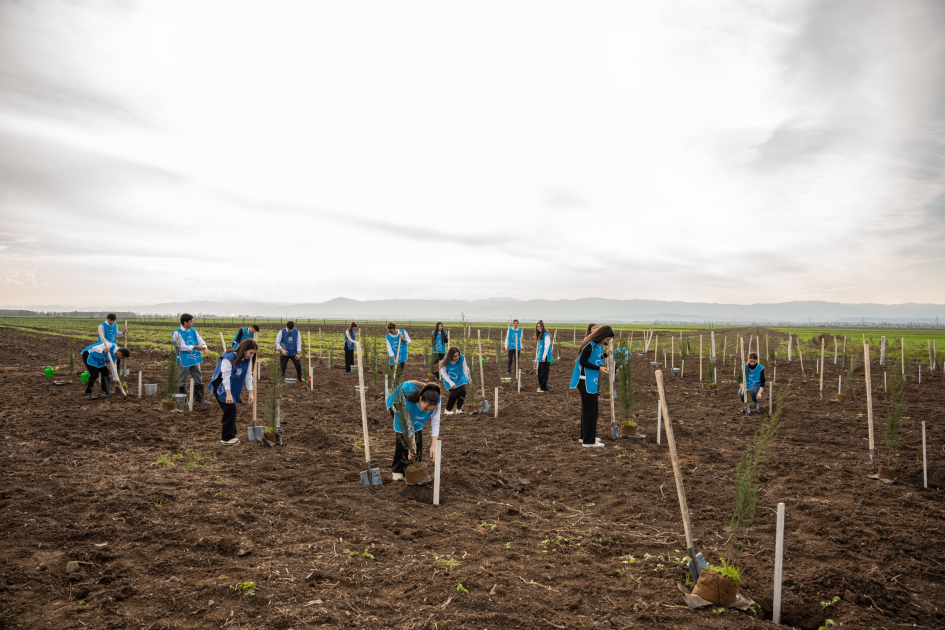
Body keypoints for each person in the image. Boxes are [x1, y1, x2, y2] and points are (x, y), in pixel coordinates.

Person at [386, 380, 441, 482]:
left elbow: (435, 421)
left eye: (430, 410)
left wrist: (434, 445)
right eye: (425, 409)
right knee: (404, 437)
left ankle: (414, 468)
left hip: (412, 409)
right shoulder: (408, 399)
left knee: (418, 435)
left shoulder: (436, 400)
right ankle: (397, 471)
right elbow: (408, 422)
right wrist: (411, 441)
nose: (427, 412)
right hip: (398, 403)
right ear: (420, 399)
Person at [569, 325, 615, 448]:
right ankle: (589, 441)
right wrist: (599, 368)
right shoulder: (589, 345)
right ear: (602, 335)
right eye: (606, 339)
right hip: (586, 381)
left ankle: (584, 436)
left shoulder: (595, 345)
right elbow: (583, 362)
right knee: (591, 411)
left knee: (587, 409)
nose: (606, 342)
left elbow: (592, 359)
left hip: (589, 380)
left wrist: (605, 355)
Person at [208, 339, 257, 445]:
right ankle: (226, 438)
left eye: (254, 354)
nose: (252, 356)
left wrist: (251, 392)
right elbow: (225, 376)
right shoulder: (229, 357)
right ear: (244, 350)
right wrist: (228, 394)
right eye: (251, 353)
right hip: (221, 386)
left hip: (232, 386)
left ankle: (231, 435)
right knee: (230, 409)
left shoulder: (246, 360)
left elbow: (248, 375)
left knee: (231, 409)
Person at [172, 313, 212, 405]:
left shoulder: (193, 330)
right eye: (191, 321)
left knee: (198, 376)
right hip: (183, 359)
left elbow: (200, 340)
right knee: (183, 379)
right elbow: (181, 347)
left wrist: (205, 348)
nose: (192, 323)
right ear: (185, 322)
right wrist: (196, 347)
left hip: (194, 358)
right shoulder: (177, 333)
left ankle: (199, 399)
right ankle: (183, 400)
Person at [439, 346, 471, 414]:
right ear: (450, 356)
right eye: (455, 356)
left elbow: (465, 369)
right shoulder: (445, 361)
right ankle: (448, 410)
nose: (457, 358)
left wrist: (465, 379)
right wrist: (451, 383)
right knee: (454, 394)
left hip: (460, 377)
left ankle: (458, 409)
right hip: (449, 379)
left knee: (462, 391)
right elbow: (444, 373)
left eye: (458, 355)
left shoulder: (462, 358)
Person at [535, 320, 553, 393]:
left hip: (545, 357)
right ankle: (541, 386)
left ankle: (544, 388)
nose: (539, 328)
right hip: (540, 357)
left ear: (543, 326)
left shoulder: (546, 335)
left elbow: (547, 346)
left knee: (544, 373)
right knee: (539, 372)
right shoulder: (540, 335)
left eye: (540, 326)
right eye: (538, 326)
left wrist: (544, 356)